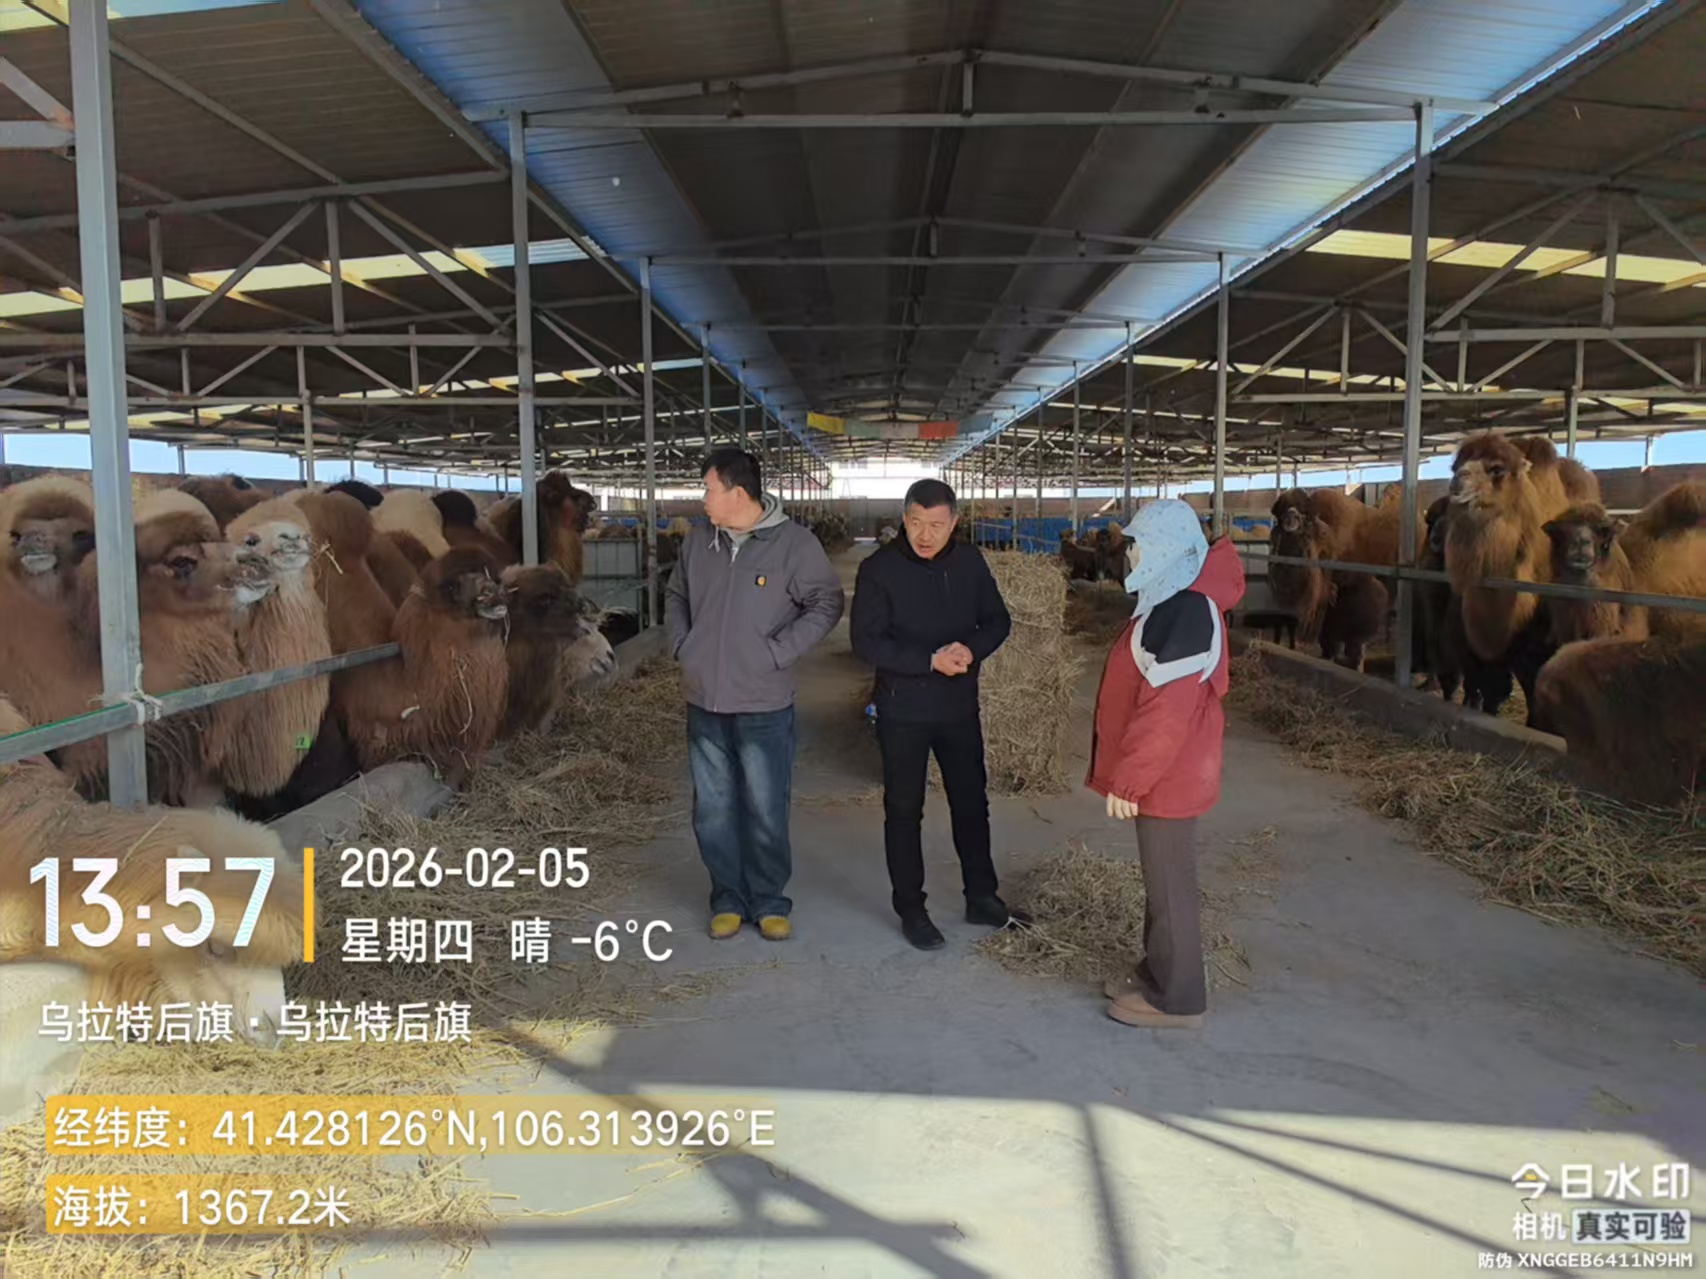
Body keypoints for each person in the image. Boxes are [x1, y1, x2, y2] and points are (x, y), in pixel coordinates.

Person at [665, 448, 845, 942]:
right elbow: (677, 595)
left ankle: (768, 901)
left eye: (708, 489)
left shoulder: (794, 545)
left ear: (737, 493)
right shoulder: (698, 542)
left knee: (765, 805)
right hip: (705, 698)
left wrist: (777, 652)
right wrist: (683, 645)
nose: (702, 499)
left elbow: (826, 603)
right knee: (713, 807)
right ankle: (727, 897)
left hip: (764, 701)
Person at [1085, 499, 1246, 1028]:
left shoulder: (1186, 611)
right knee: (1160, 880)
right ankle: (1156, 972)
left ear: (1168, 549)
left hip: (1167, 772)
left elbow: (1167, 712)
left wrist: (1131, 780)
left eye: (1139, 545)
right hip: (1165, 770)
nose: (1130, 555)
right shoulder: (1173, 598)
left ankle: (1180, 999)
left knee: (1171, 884)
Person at [850, 479, 1027, 950]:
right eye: (915, 523)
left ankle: (981, 895)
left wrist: (971, 648)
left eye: (936, 525)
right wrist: (929, 660)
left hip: (957, 706)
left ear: (954, 523)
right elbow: (866, 642)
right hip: (902, 709)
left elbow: (998, 620)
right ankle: (911, 908)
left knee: (971, 801)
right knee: (904, 809)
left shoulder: (969, 562)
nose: (924, 535)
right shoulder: (879, 569)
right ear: (903, 519)